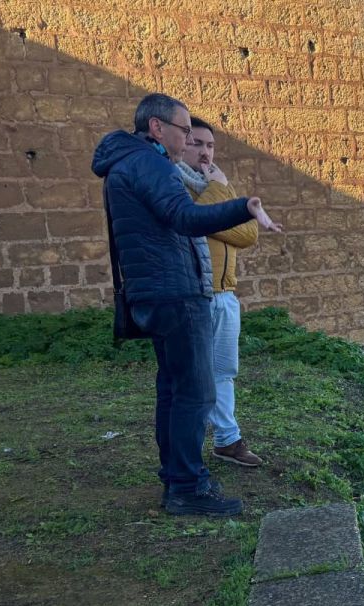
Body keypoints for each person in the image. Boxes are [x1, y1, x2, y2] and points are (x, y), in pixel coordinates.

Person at [91, 93, 282, 517]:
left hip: (155, 291)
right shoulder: (148, 163)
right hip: (175, 292)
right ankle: (187, 487)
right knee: (194, 392)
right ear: (158, 128)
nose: (187, 140)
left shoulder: (126, 164)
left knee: (174, 391)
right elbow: (186, 218)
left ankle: (178, 478)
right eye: (183, 131)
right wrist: (244, 205)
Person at [178, 117, 266, 468]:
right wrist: (220, 194)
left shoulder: (213, 185)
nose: (204, 152)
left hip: (225, 294)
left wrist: (221, 196)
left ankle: (227, 440)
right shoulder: (176, 185)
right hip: (196, 294)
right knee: (193, 375)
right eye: (196, 143)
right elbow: (192, 220)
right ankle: (186, 453)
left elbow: (248, 235)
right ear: (180, 144)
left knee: (223, 371)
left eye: (210, 145)